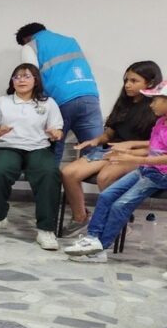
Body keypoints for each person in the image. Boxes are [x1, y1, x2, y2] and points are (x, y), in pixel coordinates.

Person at [64, 81, 167, 262]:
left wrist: (135, 159)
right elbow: (154, 147)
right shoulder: (160, 122)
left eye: (155, 100)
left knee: (121, 205)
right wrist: (128, 151)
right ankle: (92, 239)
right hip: (146, 169)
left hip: (159, 175)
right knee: (105, 196)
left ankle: (100, 249)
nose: (151, 104)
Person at [0, 63, 64, 250]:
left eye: (26, 76)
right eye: (17, 77)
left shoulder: (48, 103)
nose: (21, 80)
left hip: (38, 147)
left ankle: (46, 230)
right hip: (8, 147)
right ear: (12, 81)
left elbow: (58, 131)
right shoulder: (2, 102)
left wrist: (55, 134)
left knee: (49, 173)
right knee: (0, 170)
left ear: (36, 80)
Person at [16, 23, 102, 162]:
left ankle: (51, 183)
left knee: (52, 152)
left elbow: (30, 77)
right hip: (90, 96)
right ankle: (105, 183)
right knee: (95, 152)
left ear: (26, 39)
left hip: (60, 100)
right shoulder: (70, 41)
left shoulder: (30, 46)